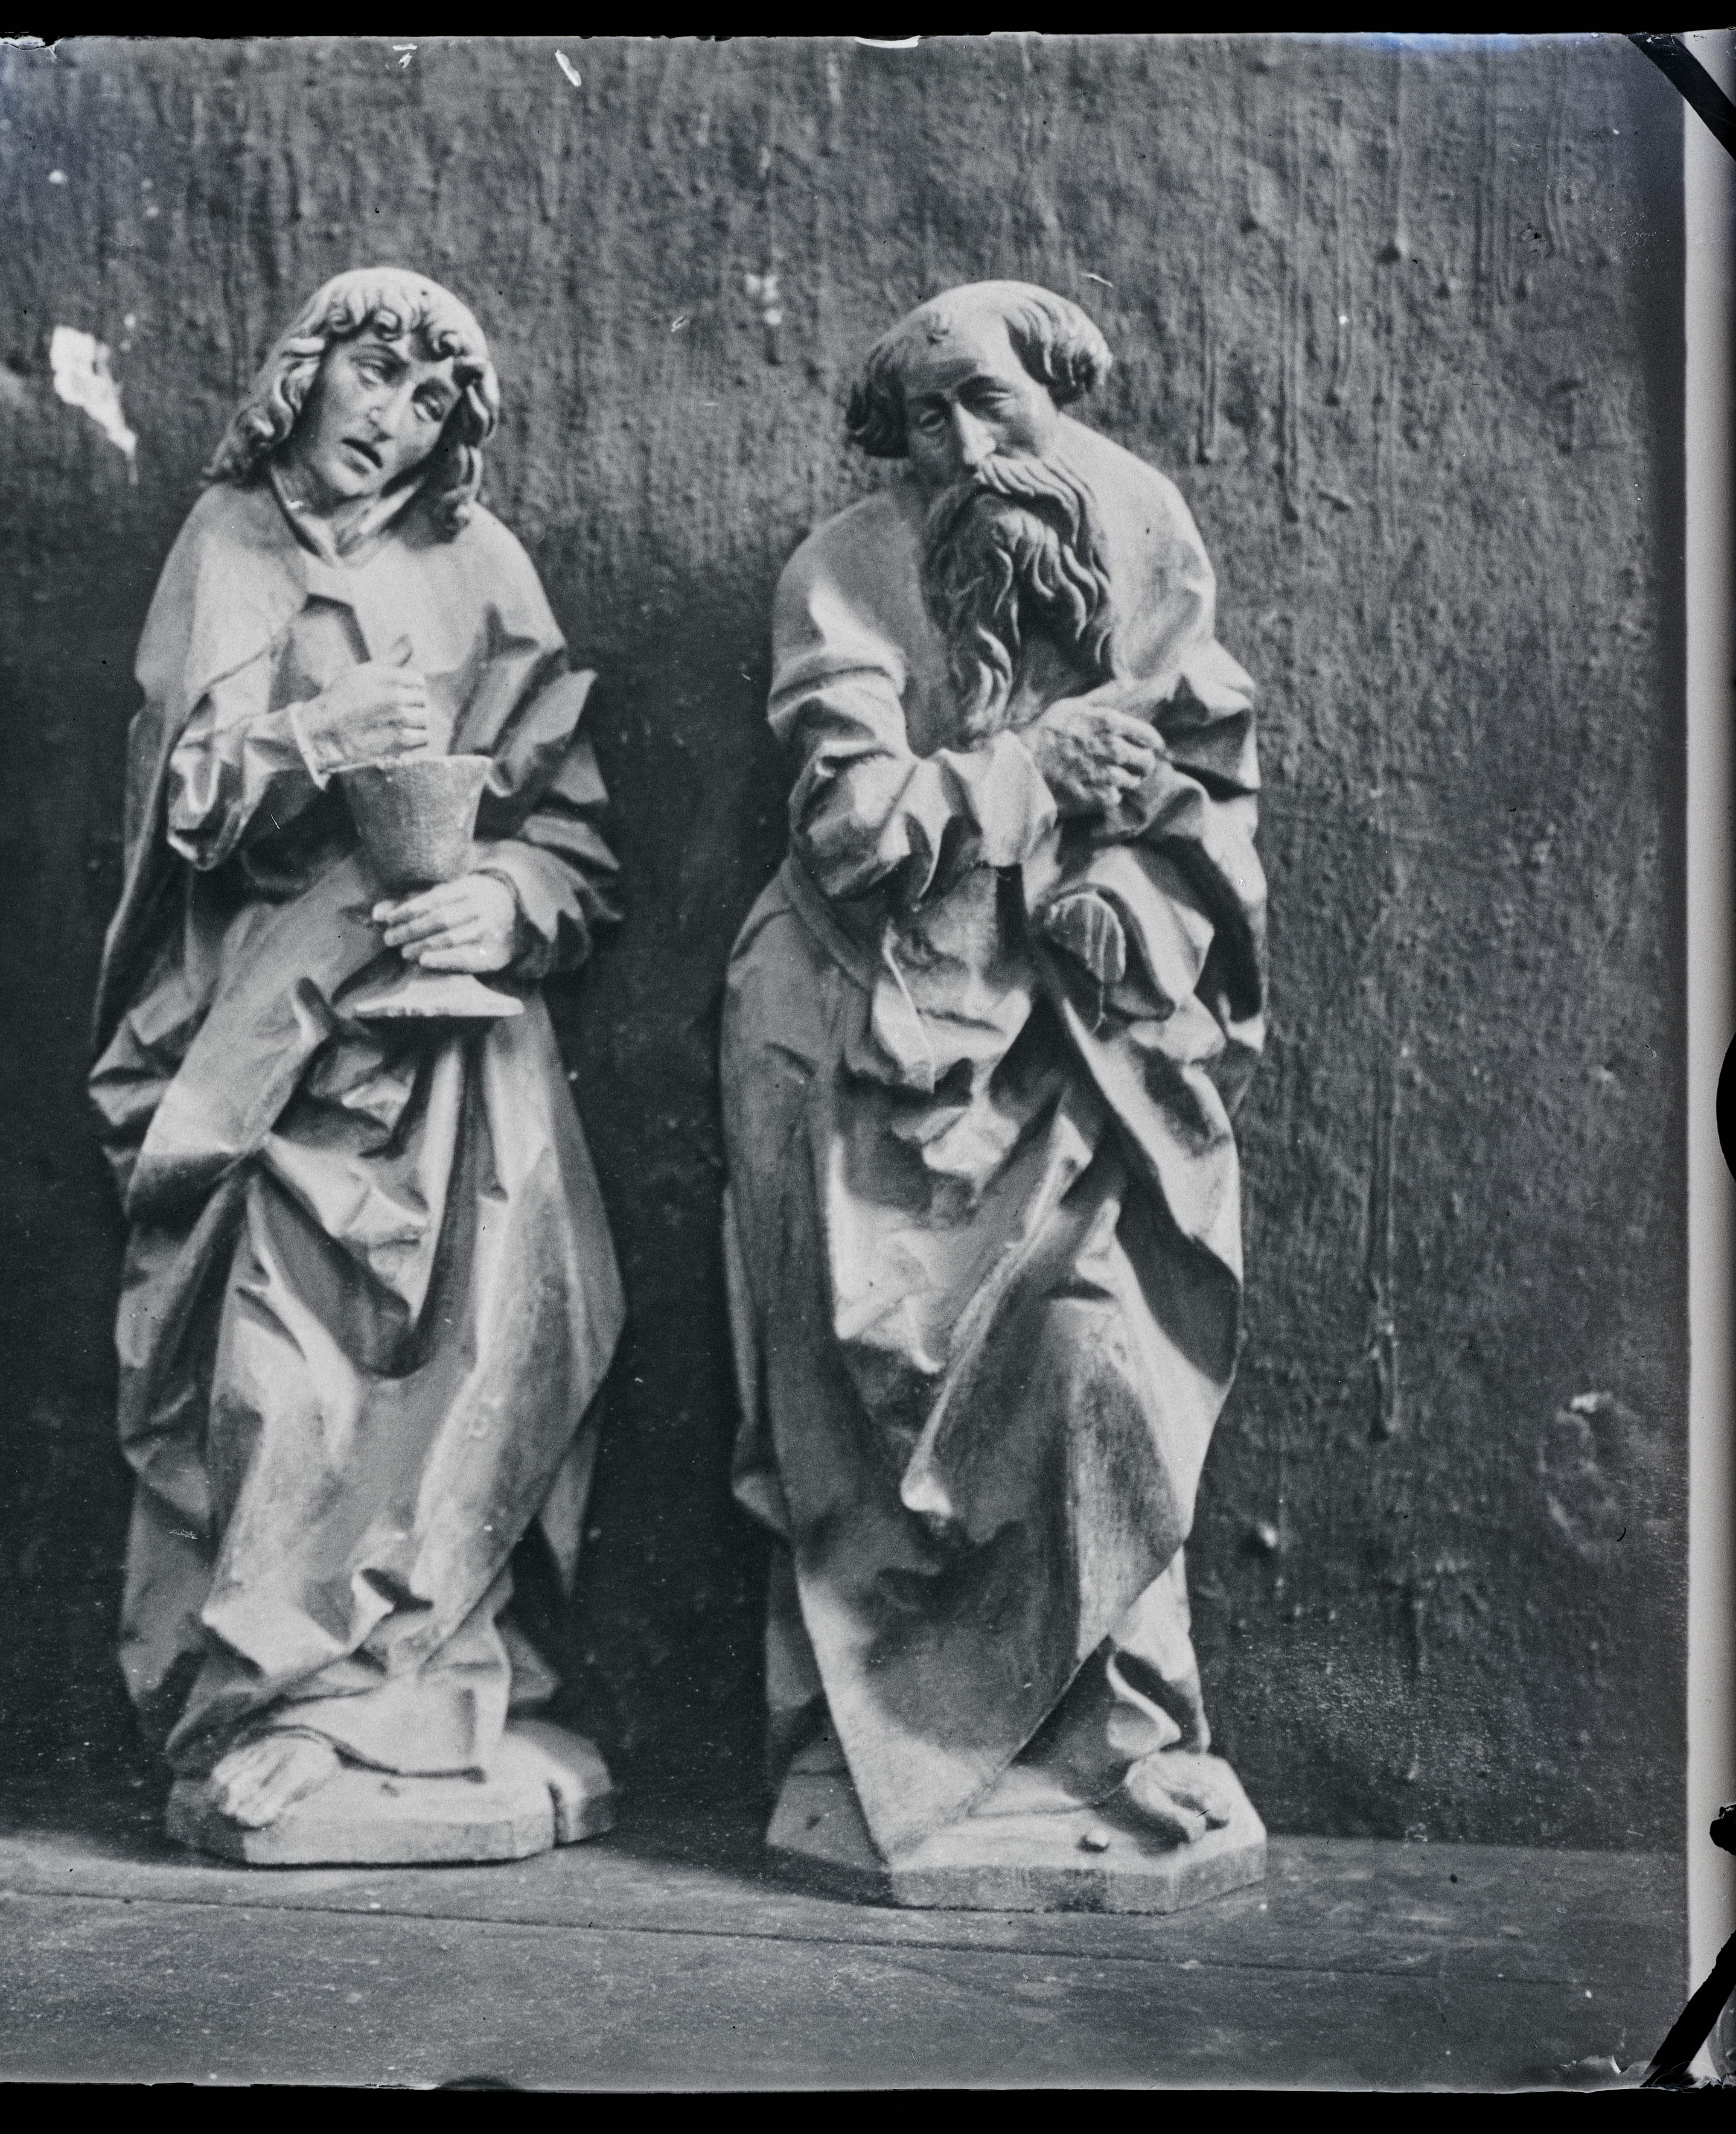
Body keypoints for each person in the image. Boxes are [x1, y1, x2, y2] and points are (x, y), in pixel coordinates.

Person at [722, 281, 1271, 1879]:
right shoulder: (844, 572)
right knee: (868, 1417)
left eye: (991, 400)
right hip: (860, 1037)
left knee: (1102, 1358)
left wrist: (1134, 903)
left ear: (1059, 390)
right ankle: (876, 1748)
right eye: (925, 420)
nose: (963, 446)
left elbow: (1200, 781)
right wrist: (1033, 770)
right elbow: (852, 826)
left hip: (1073, 1049)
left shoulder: (1140, 524)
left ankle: (1123, 1731)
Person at [91, 268, 624, 1840]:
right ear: (302, 372)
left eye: (429, 401)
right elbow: (180, 808)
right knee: (279, 1372)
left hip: (455, 1040)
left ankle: (413, 1696)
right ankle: (277, 1699)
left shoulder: (483, 565)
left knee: (494, 1344)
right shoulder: (230, 543)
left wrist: (505, 899)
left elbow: (571, 829)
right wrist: (318, 737)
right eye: (372, 374)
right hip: (268, 1032)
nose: (391, 420)